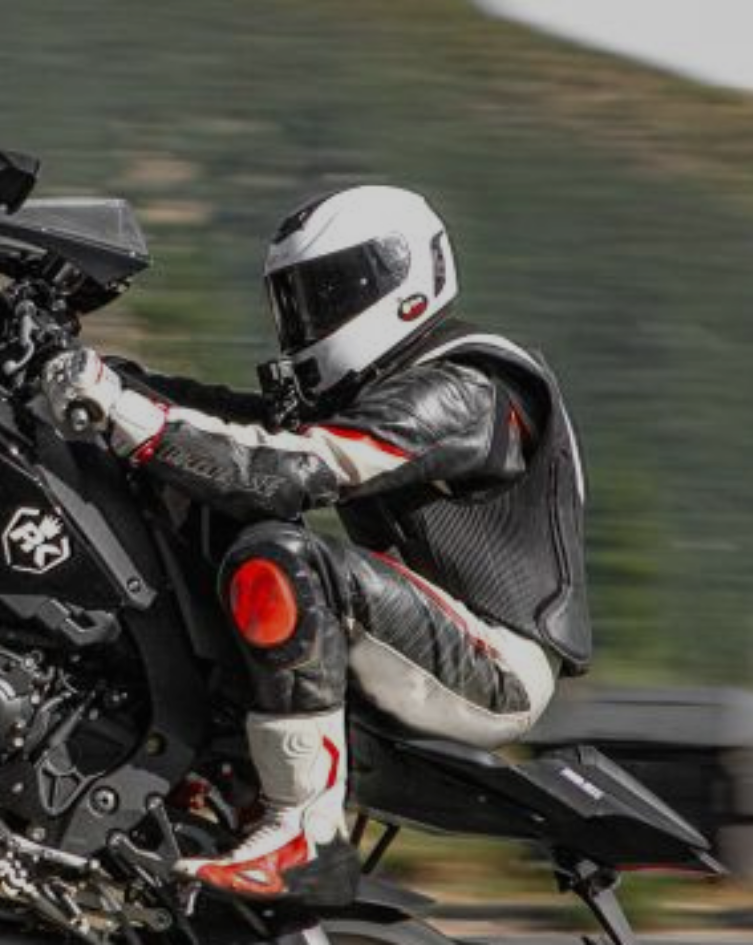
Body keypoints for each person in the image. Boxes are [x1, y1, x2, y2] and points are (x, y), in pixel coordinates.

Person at [40, 186, 591, 903]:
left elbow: (288, 470)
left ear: (405, 284)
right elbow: (229, 424)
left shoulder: (466, 391)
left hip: (496, 667)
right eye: (294, 300)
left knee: (282, 558)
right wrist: (108, 378)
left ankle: (306, 837)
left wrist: (125, 417)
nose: (308, 319)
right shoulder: (381, 387)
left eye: (330, 292)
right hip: (418, 638)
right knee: (203, 500)